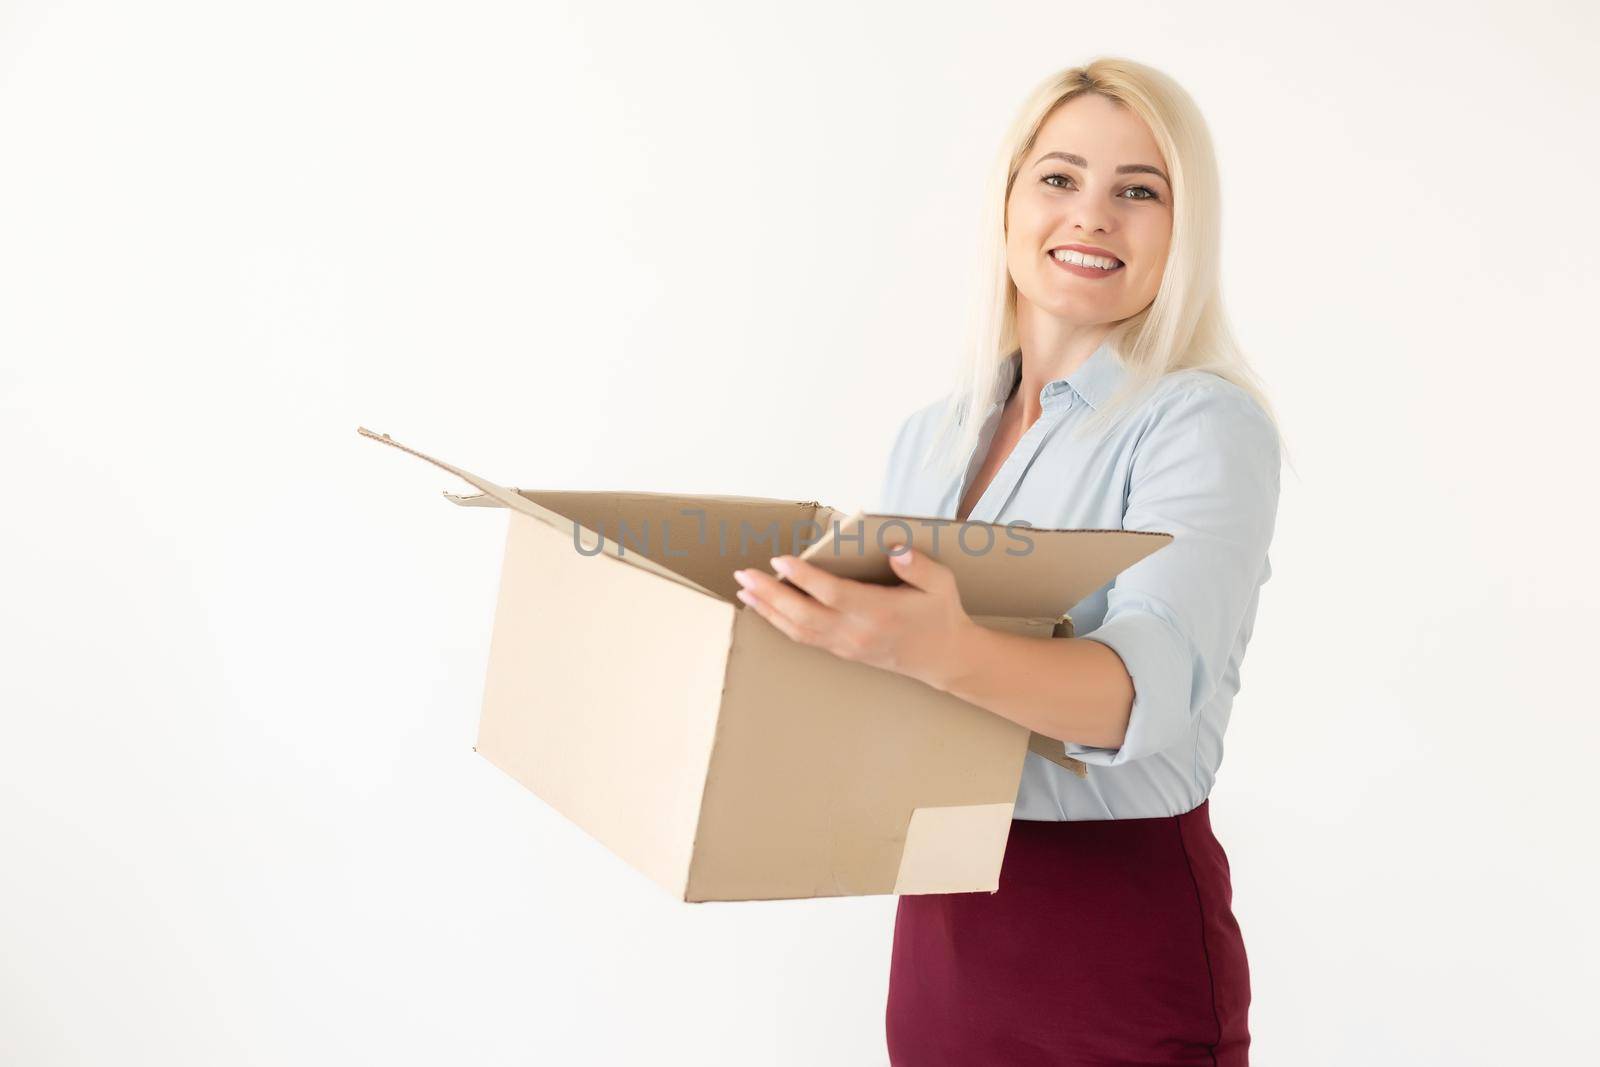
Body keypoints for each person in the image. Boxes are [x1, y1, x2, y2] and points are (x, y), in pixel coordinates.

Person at [730, 56, 1284, 1066]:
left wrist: (937, 648)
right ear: (1009, 201)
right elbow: (893, 698)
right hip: (940, 936)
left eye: (1139, 191)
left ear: (1182, 226)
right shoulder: (931, 437)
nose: (1094, 216)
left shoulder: (1199, 424)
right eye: (1060, 178)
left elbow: (1141, 693)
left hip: (1111, 937)